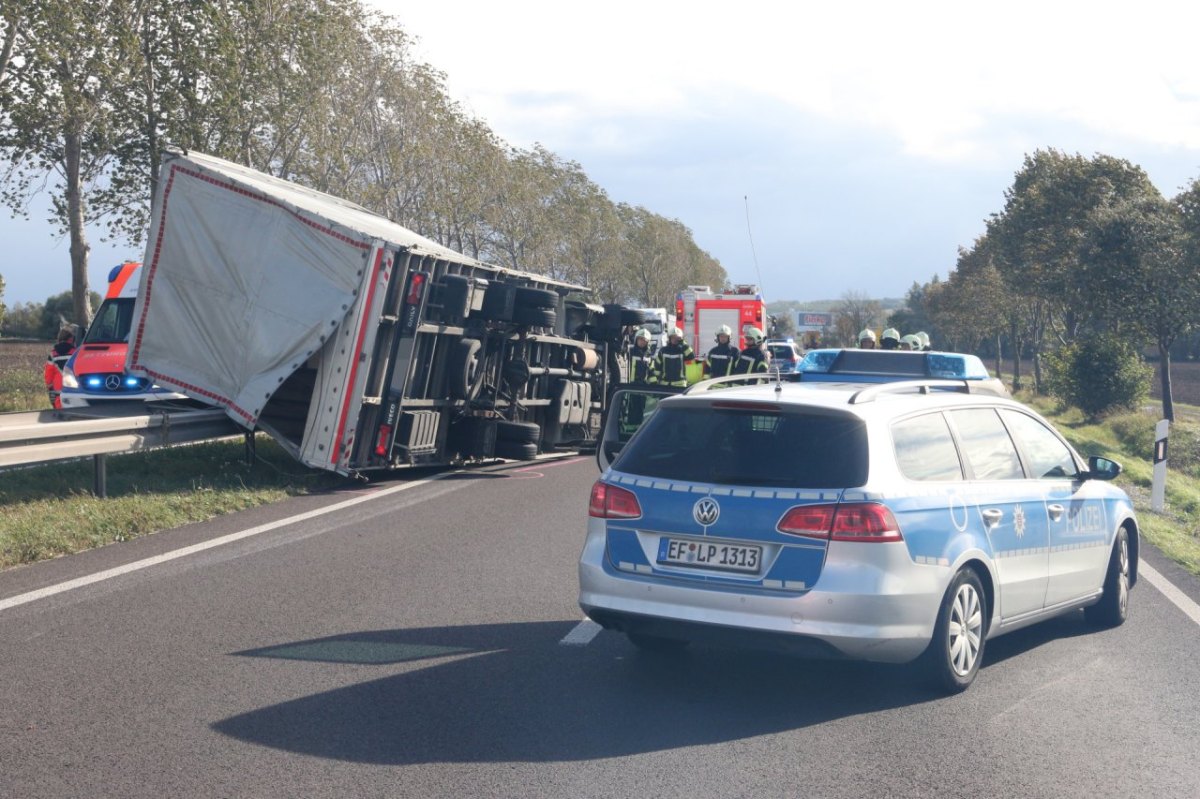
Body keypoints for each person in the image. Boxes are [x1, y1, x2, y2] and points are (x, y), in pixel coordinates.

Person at [44, 325, 77, 409]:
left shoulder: (53, 354)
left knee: (59, 414)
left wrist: (49, 387)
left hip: (57, 389)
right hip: (71, 388)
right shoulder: (75, 353)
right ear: (71, 339)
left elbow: (48, 374)